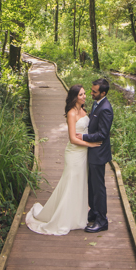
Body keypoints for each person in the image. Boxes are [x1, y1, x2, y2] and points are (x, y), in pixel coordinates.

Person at [24, 84, 102, 235]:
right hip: (74, 153)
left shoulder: (84, 110)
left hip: (84, 153)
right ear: (74, 97)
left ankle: (77, 216)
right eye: (81, 95)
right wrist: (90, 144)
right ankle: (63, 217)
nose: (84, 96)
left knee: (80, 183)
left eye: (85, 94)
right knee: (71, 183)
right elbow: (72, 139)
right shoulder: (71, 113)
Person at [82, 77, 113, 233]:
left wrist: (82, 137)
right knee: (92, 185)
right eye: (91, 90)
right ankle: (93, 212)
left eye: (94, 92)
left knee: (99, 187)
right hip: (92, 151)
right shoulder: (97, 103)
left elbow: (102, 134)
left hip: (99, 153)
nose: (91, 93)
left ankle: (102, 220)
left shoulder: (106, 108)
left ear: (103, 93)